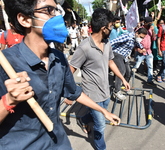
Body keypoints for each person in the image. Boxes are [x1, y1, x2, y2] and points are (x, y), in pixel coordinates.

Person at [0, 0, 121, 149]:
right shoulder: (6, 63)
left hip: (59, 143)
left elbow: (74, 92)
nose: (58, 17)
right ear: (25, 19)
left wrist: (103, 111)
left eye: (57, 10)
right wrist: (8, 101)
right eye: (49, 10)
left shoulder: (59, 58)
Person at [69, 8, 130, 150]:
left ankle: (83, 120)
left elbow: (110, 62)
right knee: (101, 124)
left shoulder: (107, 43)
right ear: (104, 28)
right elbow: (69, 71)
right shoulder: (84, 48)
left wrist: (122, 78)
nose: (112, 28)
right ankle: (101, 147)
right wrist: (69, 92)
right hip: (92, 94)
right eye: (110, 26)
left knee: (97, 114)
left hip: (105, 91)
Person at [110, 28, 147, 100]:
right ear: (137, 33)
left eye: (143, 38)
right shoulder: (127, 36)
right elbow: (113, 41)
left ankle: (124, 86)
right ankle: (116, 91)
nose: (141, 39)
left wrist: (142, 48)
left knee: (128, 72)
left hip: (124, 56)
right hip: (117, 53)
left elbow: (138, 44)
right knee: (122, 70)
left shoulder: (135, 39)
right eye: (141, 37)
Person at [133, 17, 157, 87]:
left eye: (151, 23)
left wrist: (152, 31)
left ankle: (150, 80)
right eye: (149, 23)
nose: (150, 24)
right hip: (141, 51)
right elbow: (134, 41)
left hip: (148, 51)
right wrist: (138, 49)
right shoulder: (139, 30)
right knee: (136, 66)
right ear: (145, 23)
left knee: (150, 66)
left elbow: (154, 38)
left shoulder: (150, 29)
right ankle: (128, 78)